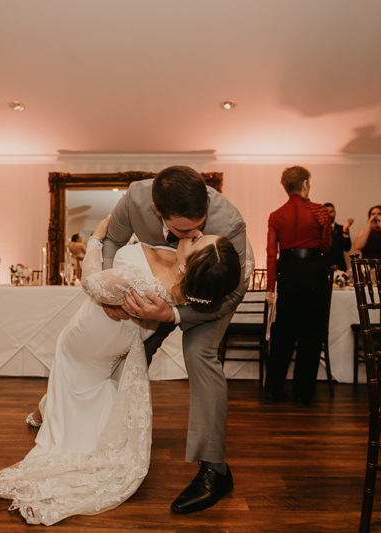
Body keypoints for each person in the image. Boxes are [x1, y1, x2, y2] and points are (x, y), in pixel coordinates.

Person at [0, 215, 242, 525]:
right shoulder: (184, 285)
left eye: (199, 240)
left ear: (192, 264)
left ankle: (48, 410)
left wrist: (94, 238)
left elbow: (91, 284)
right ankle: (45, 410)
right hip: (114, 341)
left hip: (89, 338)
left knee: (76, 370)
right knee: (87, 381)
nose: (197, 232)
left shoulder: (141, 281)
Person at [100, 166, 247, 514]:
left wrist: (176, 316)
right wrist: (109, 288)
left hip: (209, 300)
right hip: (158, 290)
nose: (195, 232)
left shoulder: (229, 223)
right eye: (184, 228)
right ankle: (104, 435)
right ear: (157, 209)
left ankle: (215, 470)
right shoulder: (136, 198)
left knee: (200, 355)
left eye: (200, 223)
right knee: (128, 350)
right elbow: (112, 241)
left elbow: (233, 294)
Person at [265, 166, 332, 407]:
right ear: (305, 183)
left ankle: (273, 390)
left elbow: (271, 254)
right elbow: (326, 247)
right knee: (311, 333)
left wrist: (271, 286)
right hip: (313, 270)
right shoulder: (319, 211)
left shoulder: (275, 215)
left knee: (283, 332)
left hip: (288, 272)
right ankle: (303, 394)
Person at [322, 202, 352, 271]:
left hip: (340, 267)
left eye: (331, 211)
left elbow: (347, 248)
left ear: (335, 212)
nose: (329, 214)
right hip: (323, 267)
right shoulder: (318, 230)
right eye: (326, 212)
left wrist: (345, 231)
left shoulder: (342, 228)